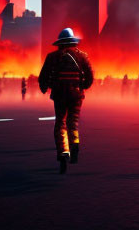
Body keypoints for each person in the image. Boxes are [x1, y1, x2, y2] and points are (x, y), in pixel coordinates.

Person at [38, 27, 94, 174]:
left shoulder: (52, 57)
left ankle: (63, 152)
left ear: (60, 43)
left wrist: (44, 87)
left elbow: (43, 76)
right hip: (76, 95)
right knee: (73, 122)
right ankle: (75, 144)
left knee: (60, 123)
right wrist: (82, 87)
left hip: (59, 95)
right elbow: (90, 77)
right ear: (73, 41)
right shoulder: (83, 56)